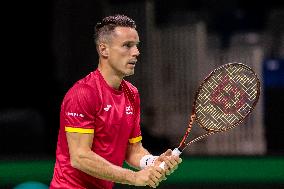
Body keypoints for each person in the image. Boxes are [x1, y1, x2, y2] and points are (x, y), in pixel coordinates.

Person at [50, 14, 182, 189]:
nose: (136, 52)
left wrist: (153, 162)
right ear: (104, 49)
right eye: (127, 46)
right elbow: (80, 157)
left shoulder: (131, 93)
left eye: (136, 46)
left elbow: (133, 150)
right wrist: (134, 178)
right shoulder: (83, 94)